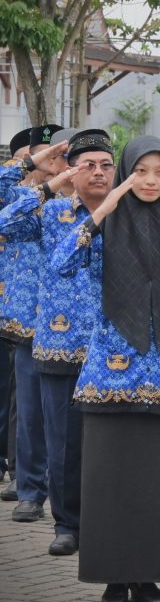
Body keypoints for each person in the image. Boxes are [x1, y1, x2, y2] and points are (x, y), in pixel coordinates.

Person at [56, 135, 160, 602]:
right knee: (110, 482)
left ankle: (149, 577)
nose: (150, 181)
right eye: (140, 171)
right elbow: (62, 263)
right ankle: (112, 577)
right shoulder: (103, 228)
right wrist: (105, 207)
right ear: (127, 173)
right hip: (110, 378)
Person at [0, 129, 114, 556]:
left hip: (115, 348)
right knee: (62, 442)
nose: (98, 172)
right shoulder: (51, 214)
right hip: (59, 343)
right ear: (71, 170)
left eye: (106, 164)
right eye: (87, 164)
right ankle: (67, 525)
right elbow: (3, 218)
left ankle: (108, 524)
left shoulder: (126, 213)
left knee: (109, 447)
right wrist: (43, 178)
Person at [0, 124, 65, 523]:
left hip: (79, 330)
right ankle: (29, 490)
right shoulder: (30, 201)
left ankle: (70, 496)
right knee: (29, 413)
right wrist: (30, 164)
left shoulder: (96, 204)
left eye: (62, 154)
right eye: (49, 155)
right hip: (30, 325)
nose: (56, 161)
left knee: (70, 421)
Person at [0, 127, 32, 502]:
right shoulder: (17, 196)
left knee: (22, 398)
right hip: (11, 311)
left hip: (36, 319)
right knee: (9, 394)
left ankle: (23, 472)